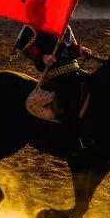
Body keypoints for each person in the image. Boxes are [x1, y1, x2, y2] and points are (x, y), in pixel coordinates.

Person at [13, 23, 95, 153]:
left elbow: (70, 47)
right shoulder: (33, 27)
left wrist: (80, 50)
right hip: (54, 74)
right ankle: (74, 139)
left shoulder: (64, 24)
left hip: (74, 70)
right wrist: (42, 57)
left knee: (95, 84)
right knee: (71, 93)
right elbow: (25, 47)